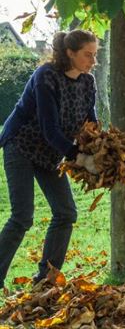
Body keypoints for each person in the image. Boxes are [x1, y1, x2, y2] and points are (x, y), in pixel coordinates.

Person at [0, 29, 99, 289]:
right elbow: (49, 128)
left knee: (66, 212)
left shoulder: (88, 82)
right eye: (88, 55)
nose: (93, 61)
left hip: (51, 153)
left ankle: (46, 279)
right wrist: (80, 158)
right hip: (21, 145)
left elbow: (91, 123)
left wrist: (101, 152)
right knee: (22, 217)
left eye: (95, 55)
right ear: (70, 53)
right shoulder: (45, 77)